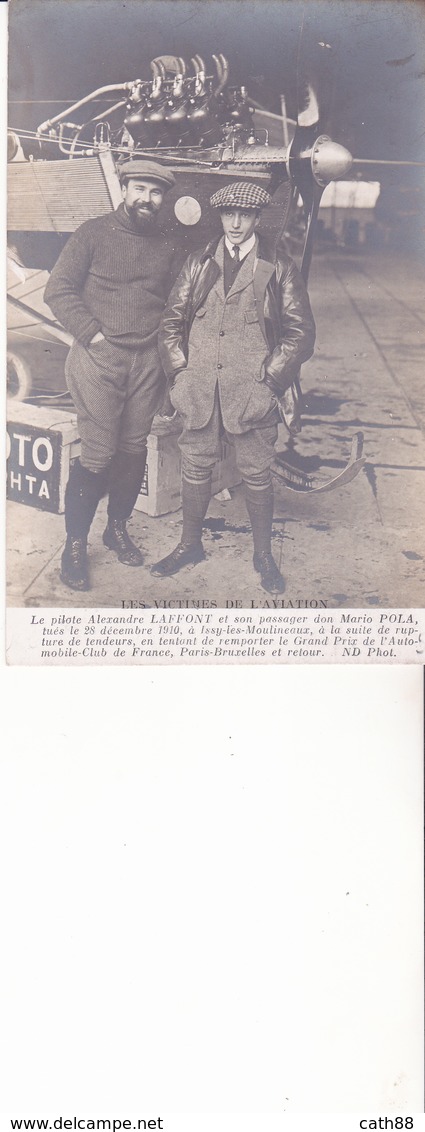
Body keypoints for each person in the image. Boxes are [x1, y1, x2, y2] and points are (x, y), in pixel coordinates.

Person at [151, 181, 316, 594]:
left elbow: (300, 334)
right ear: (220, 217)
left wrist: (270, 383)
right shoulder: (199, 261)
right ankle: (189, 545)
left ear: (258, 219)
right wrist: (181, 377)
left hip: (253, 392)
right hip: (200, 387)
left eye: (245, 216)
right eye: (229, 215)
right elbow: (171, 323)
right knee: (195, 466)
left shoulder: (278, 266)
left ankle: (263, 556)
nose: (237, 223)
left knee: (257, 473)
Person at [44, 158, 177, 591]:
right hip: (99, 359)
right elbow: (58, 289)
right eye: (140, 188)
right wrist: (93, 336)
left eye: (156, 192)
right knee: (98, 455)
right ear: (124, 189)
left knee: (133, 448)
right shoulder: (93, 233)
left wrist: (163, 352)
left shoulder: (169, 244)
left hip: (146, 363)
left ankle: (115, 528)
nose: (147, 199)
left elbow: (179, 304)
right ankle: (75, 544)